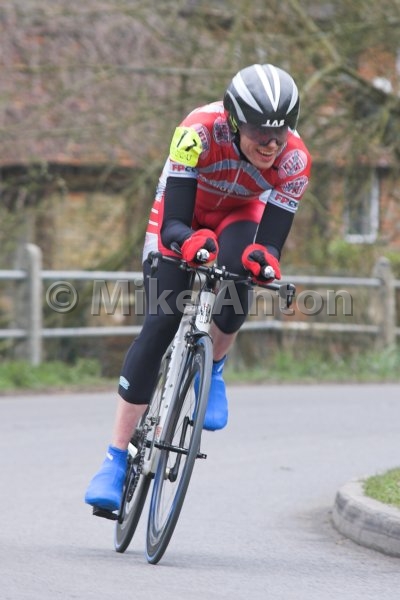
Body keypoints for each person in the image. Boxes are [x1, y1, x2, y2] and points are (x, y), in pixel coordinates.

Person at [85, 63, 312, 513]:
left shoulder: (295, 161)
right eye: (258, 131)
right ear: (233, 121)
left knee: (241, 275)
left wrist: (265, 260)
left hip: (239, 215)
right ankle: (114, 459)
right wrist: (186, 242)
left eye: (280, 131)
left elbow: (269, 245)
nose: (270, 143)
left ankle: (216, 369)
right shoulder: (197, 132)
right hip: (182, 215)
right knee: (162, 320)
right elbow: (173, 224)